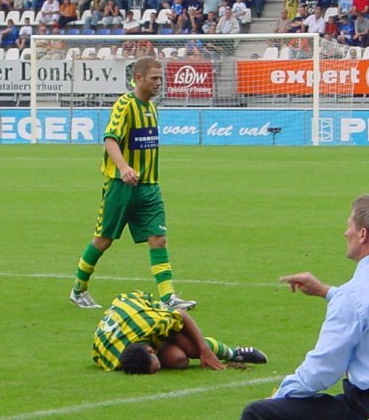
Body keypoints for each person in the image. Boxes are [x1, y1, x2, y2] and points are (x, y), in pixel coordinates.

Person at [240, 194, 369, 420]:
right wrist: (327, 292)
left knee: (257, 413)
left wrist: (280, 394)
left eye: (349, 225)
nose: (345, 232)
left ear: (362, 235)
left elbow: (321, 371)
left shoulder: (355, 294)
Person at [69, 58, 198, 310]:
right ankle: (79, 289)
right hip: (121, 186)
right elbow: (109, 139)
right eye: (154, 78)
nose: (159, 83)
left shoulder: (152, 108)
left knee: (158, 238)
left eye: (160, 78)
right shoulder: (125, 105)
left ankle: (168, 297)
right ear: (139, 78)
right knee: (103, 240)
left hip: (149, 186)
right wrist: (124, 167)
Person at [93, 290, 268, 373]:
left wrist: (205, 350)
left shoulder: (154, 322)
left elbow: (181, 315)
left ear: (150, 349)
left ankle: (233, 352)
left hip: (138, 307)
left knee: (193, 349)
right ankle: (171, 345)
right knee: (179, 360)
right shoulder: (112, 360)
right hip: (129, 323)